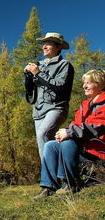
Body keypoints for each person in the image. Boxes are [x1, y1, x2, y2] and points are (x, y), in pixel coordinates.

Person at [34, 69, 105, 198]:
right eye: (84, 83)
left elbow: (97, 127)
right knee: (50, 145)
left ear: (100, 84)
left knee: (68, 140)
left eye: (89, 83)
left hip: (98, 150)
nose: (84, 86)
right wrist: (63, 133)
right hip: (83, 148)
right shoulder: (85, 105)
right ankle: (48, 186)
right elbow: (76, 124)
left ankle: (71, 182)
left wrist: (69, 132)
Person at [24, 32, 74, 160]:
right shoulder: (38, 65)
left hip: (56, 107)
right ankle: (56, 174)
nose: (44, 47)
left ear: (58, 47)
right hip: (38, 110)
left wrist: (38, 73)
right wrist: (28, 77)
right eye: (43, 44)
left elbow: (60, 86)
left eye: (48, 44)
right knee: (43, 146)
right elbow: (31, 92)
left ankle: (50, 178)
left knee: (43, 134)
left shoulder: (64, 65)